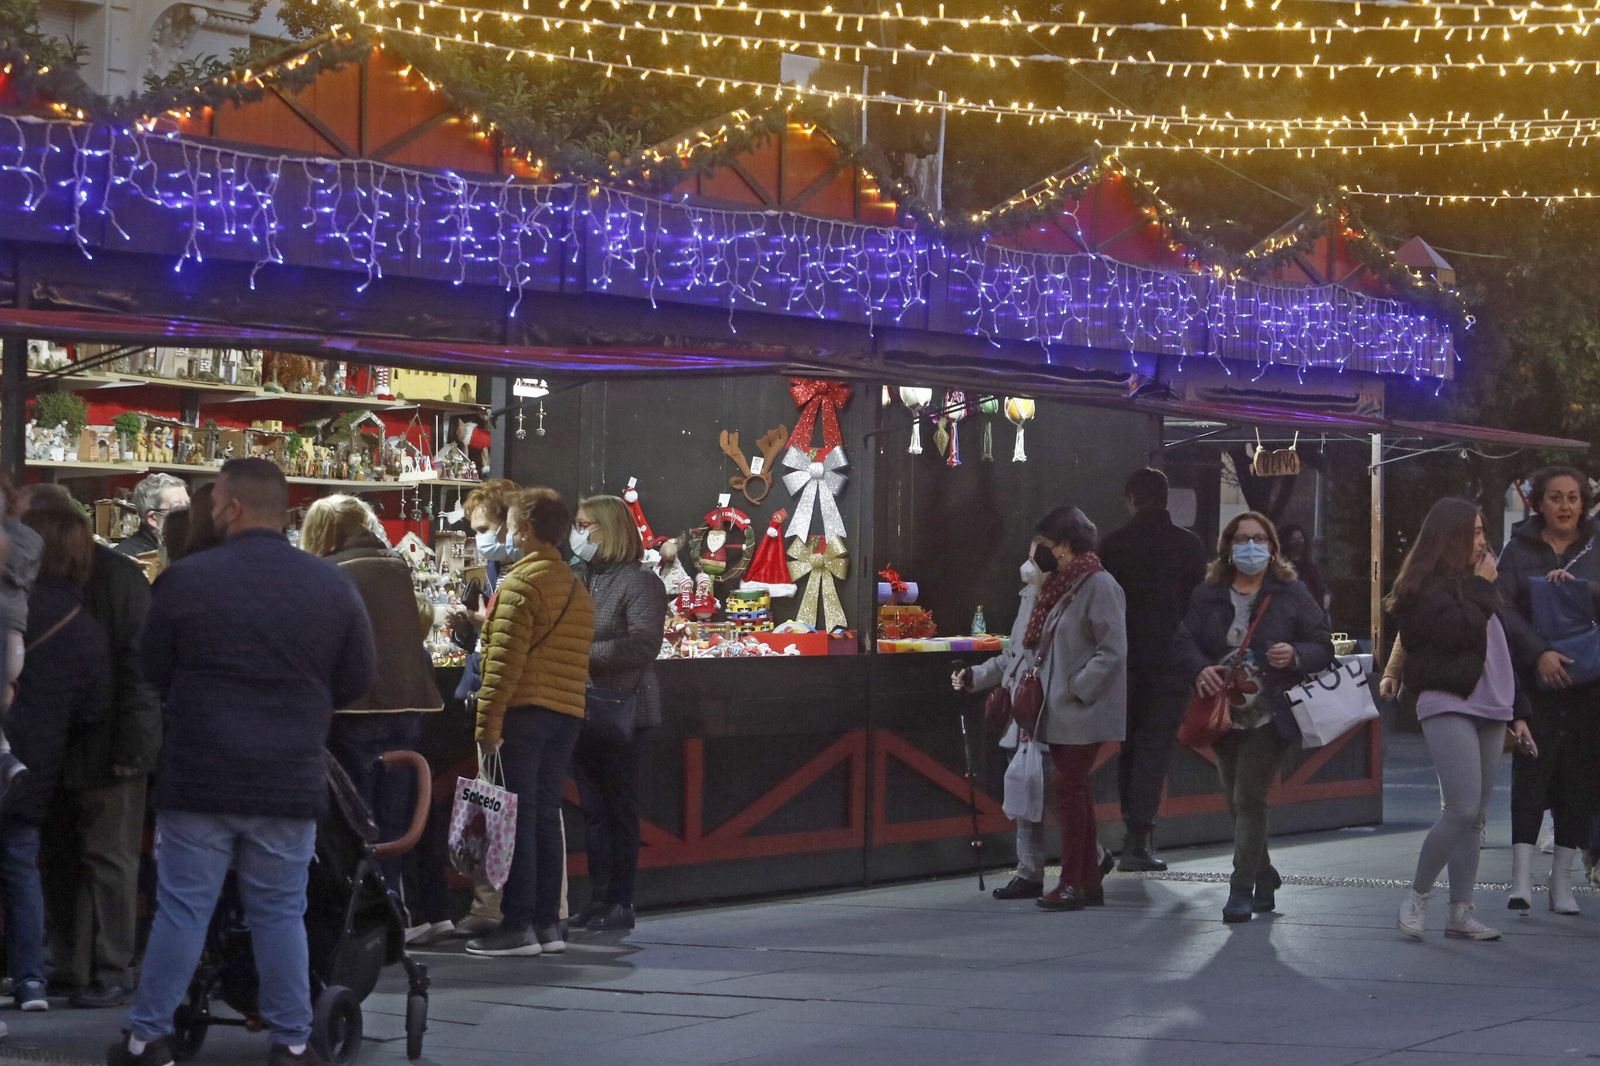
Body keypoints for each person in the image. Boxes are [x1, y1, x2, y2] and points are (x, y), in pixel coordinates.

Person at [109, 459, 375, 1066]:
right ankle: (292, 1039)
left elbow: (151, 669)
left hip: (199, 775)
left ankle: (147, 1038)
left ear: (227, 506)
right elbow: (357, 679)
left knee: (183, 910)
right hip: (288, 776)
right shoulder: (331, 584)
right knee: (281, 912)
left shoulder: (185, 582)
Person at [19, 486, 161, 1011]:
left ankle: (109, 967)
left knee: (102, 858)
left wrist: (133, 746)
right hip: (75, 742)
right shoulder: (113, 577)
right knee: (75, 856)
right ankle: (80, 964)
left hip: (96, 744)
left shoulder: (103, 580)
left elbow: (138, 674)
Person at [958, 507, 1126, 912]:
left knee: (1067, 790)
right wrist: (977, 676)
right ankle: (1085, 880)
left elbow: (1112, 650)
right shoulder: (1045, 590)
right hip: (1041, 710)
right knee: (1068, 792)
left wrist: (1075, 688)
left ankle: (1074, 880)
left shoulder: (1098, 584)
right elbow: (1018, 651)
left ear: (1066, 546)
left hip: (1077, 711)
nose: (1036, 557)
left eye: (1044, 548)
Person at [1175, 511, 1333, 924]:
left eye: (1260, 539)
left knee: (1249, 799)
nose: (1251, 546)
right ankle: (1264, 876)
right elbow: (1184, 639)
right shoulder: (1208, 594)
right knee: (1234, 800)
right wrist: (1198, 668)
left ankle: (1240, 889)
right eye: (1243, 538)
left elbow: (1323, 643)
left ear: (1272, 547)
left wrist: (1296, 654)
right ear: (1228, 546)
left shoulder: (1290, 592)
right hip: (1224, 712)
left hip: (1271, 713)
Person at [1389, 499, 1530, 942]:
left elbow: (1501, 651)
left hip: (1493, 702)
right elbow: (1456, 632)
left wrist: (1520, 712)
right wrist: (1483, 588)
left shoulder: (1480, 585)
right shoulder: (1422, 587)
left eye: (1483, 530)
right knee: (1462, 807)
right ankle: (1417, 895)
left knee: (1478, 816)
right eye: (1473, 531)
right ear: (1449, 536)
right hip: (1447, 699)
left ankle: (1461, 911)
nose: (1482, 540)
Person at [299, 496, 443, 924]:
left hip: (355, 708)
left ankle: (357, 915)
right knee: (394, 819)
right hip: (409, 703)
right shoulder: (396, 565)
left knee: (353, 818)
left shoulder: (329, 572)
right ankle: (390, 908)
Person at [467, 487, 594, 957]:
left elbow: (501, 667)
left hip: (524, 713)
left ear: (521, 530)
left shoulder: (520, 584)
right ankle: (548, 926)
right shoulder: (576, 586)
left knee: (515, 820)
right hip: (566, 714)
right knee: (544, 817)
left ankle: (517, 925)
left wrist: (487, 727)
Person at [6, 504, 111, 1014]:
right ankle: (30, 981)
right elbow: (94, 707)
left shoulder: (14, 606)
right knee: (23, 869)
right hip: (38, 766)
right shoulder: (85, 626)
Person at [1495, 465, 1600, 916]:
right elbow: (1501, 609)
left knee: (1579, 778)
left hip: (1588, 680)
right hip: (1532, 681)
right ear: (1538, 503)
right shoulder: (1517, 549)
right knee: (1531, 775)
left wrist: (1583, 588)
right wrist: (1539, 652)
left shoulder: (1595, 546)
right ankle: (1520, 881)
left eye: (1573, 497)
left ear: (1584, 502)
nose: (1565, 506)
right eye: (1555, 497)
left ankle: (1562, 885)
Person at [1098, 468, 1208, 872]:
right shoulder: (1190, 546)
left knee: (1129, 746)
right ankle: (1137, 839)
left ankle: (1132, 830)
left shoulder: (1112, 545)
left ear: (1130, 499)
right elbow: (1197, 608)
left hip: (1124, 661)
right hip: (1171, 662)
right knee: (1154, 749)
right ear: (1165, 498)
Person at [569, 495, 668, 935]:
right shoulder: (578, 576)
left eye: (584, 524)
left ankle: (621, 899)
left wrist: (579, 654)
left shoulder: (640, 582)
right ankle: (597, 898)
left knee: (620, 807)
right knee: (593, 809)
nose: (578, 533)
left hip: (625, 709)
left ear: (608, 529)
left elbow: (643, 645)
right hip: (581, 706)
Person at [448, 479, 523, 941]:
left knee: (501, 806)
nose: (479, 538)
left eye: (484, 528)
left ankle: (495, 906)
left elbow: (513, 646)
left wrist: (484, 626)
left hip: (508, 705)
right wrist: (471, 630)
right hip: (493, 695)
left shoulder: (522, 575)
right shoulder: (497, 570)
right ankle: (498, 904)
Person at [114, 474, 187, 559]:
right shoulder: (128, 559)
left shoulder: (186, 550)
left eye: (189, 506)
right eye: (178, 509)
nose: (189, 514)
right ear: (153, 518)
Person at [1280, 524, 1331, 618]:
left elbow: (1321, 589)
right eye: (1293, 539)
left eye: (1300, 538)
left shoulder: (1310, 566)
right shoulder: (1280, 567)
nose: (1298, 542)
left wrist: (1325, 596)